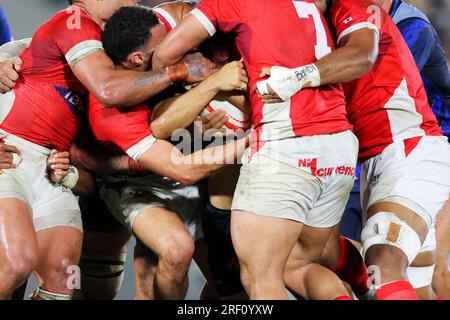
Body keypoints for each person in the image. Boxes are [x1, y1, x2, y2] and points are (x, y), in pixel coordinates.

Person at [0, 0, 215, 300]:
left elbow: (30, 50)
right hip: (34, 159)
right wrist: (179, 72)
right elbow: (109, 90)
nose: (136, 2)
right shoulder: (76, 22)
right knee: (16, 267)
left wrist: (72, 172)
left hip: (68, 170)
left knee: (64, 282)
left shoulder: (126, 31)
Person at [153, 0, 359, 300]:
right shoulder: (304, 12)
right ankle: (365, 284)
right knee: (299, 266)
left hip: (277, 165)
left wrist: (207, 81)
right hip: (335, 147)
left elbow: (163, 58)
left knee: (259, 281)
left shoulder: (232, 51)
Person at [259, 0, 450, 300]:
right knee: (414, 281)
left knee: (385, 266)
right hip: (375, 159)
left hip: (408, 148)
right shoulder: (314, 23)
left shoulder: (356, 7)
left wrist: (295, 77)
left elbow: (362, 56)